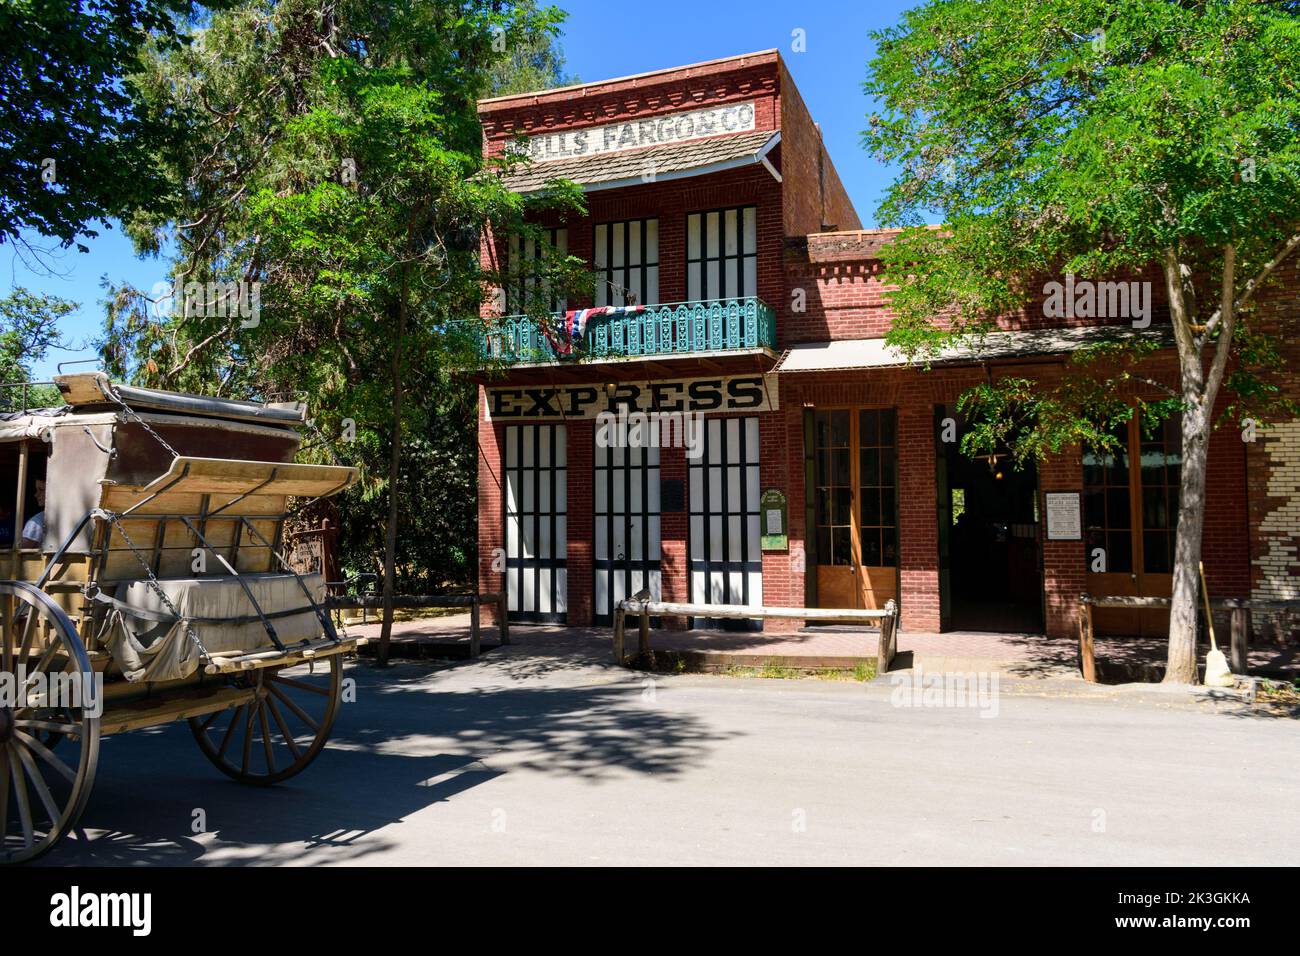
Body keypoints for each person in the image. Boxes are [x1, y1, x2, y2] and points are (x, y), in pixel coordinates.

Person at [20, 478, 45, 549]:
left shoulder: (36, 521)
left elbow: (21, 550)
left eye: (41, 489)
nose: (36, 495)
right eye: (36, 490)